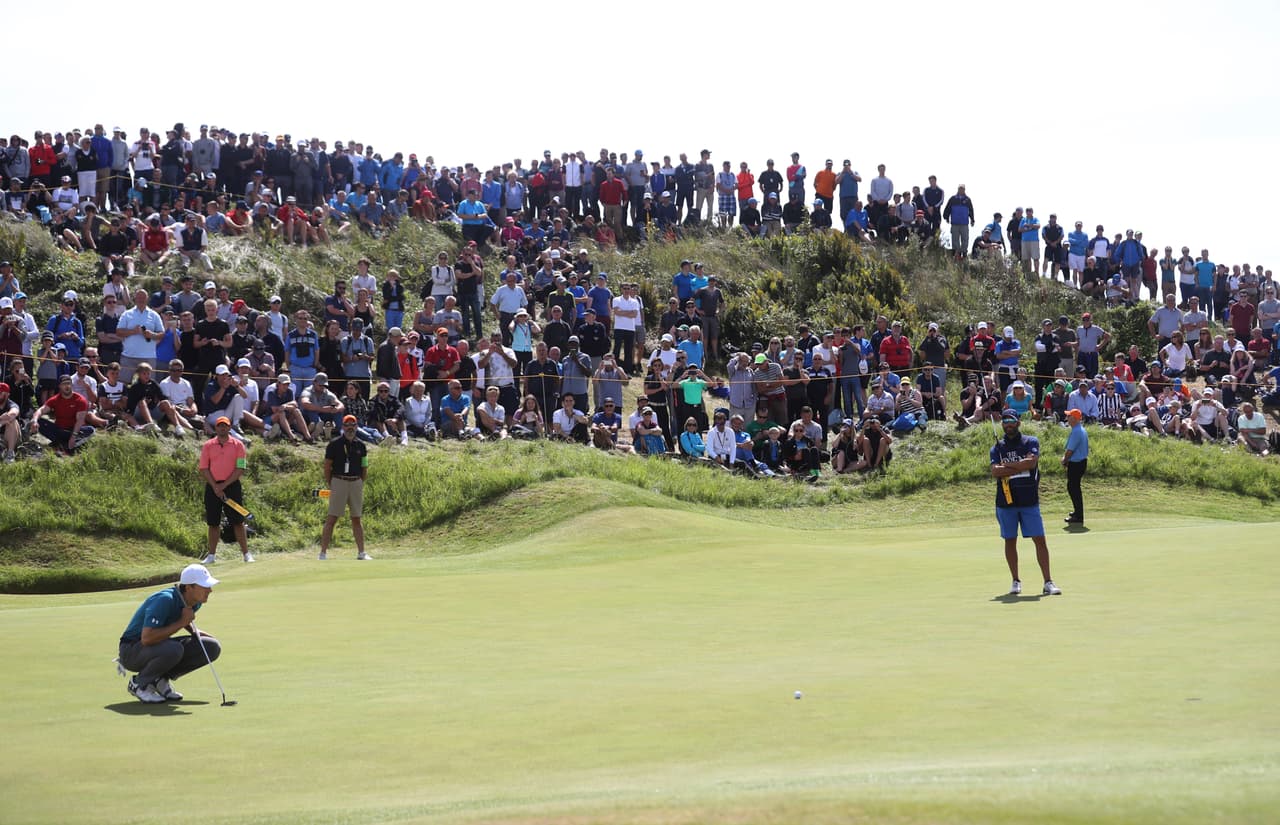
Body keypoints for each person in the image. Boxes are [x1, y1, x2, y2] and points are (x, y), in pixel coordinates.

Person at [116, 563, 223, 704]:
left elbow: (182, 619)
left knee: (211, 646)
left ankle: (159, 680)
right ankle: (139, 684)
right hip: (131, 651)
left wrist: (197, 633)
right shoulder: (164, 600)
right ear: (189, 587)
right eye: (205, 586)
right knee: (174, 649)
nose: (210, 590)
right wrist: (182, 622)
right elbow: (147, 638)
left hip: (156, 647)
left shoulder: (195, 601)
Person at [990, 409, 1061, 596]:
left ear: (1018, 422)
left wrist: (1006, 467)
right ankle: (1015, 581)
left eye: (1011, 421)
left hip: (1029, 500)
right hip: (1006, 502)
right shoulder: (997, 448)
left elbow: (1030, 463)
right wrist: (1016, 465)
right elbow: (995, 472)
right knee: (1010, 540)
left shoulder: (1030, 441)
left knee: (1040, 540)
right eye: (1005, 421)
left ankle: (1048, 582)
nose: (1008, 424)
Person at [198, 415, 253, 564]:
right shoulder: (208, 445)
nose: (223, 428)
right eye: (220, 425)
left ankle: (246, 554)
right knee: (213, 522)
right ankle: (211, 555)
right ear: (216, 428)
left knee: (237, 521)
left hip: (232, 487)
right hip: (212, 487)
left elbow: (240, 468)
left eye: (225, 425)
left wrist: (223, 486)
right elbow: (204, 468)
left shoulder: (238, 445)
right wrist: (216, 486)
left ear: (229, 427)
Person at [318, 414, 371, 561]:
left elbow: (364, 466)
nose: (350, 428)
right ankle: (322, 553)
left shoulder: (361, 445)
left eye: (353, 425)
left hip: (355, 482)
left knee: (357, 518)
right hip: (339, 481)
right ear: (343, 427)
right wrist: (332, 483)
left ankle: (361, 553)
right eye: (347, 425)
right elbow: (327, 466)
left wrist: (360, 481)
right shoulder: (334, 444)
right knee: (332, 518)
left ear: (356, 427)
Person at [1062, 408, 1089, 525]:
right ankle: (1077, 512)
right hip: (1079, 463)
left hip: (1076, 464)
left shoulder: (1077, 431)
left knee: (1073, 489)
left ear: (1074, 418)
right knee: (1074, 488)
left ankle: (1078, 516)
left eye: (1069, 416)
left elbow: (1070, 450)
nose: (1067, 418)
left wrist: (1064, 460)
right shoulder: (1079, 430)